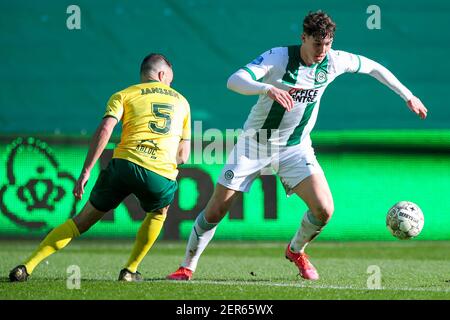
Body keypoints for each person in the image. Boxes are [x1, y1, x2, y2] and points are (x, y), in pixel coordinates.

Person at [167, 10, 428, 281]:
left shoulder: (334, 61)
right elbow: (234, 80)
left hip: (295, 148)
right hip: (254, 146)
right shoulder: (279, 57)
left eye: (327, 44)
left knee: (324, 209)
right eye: (317, 44)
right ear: (303, 38)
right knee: (216, 210)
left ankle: (296, 251)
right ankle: (187, 266)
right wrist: (266, 88)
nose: (322, 50)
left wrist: (408, 96)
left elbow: (373, 67)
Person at [9, 53, 191, 282]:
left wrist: (86, 171)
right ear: (163, 75)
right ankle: (130, 270)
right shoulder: (182, 102)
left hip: (123, 164)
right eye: (170, 80)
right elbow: (183, 155)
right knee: (158, 212)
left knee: (80, 221)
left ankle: (27, 267)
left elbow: (105, 131)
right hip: (160, 172)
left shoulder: (124, 95)